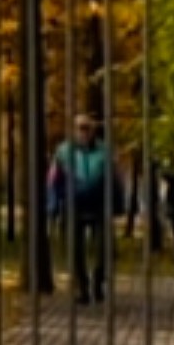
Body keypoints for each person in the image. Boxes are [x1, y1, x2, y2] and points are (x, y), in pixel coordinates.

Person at [46, 112, 113, 302]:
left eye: (87, 128)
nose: (83, 132)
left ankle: (98, 282)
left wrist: (117, 204)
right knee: (74, 249)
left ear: (93, 130)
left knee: (104, 249)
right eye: (79, 128)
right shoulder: (63, 152)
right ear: (73, 130)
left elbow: (114, 179)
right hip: (72, 205)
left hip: (99, 204)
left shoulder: (104, 151)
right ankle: (81, 288)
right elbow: (53, 180)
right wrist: (53, 206)